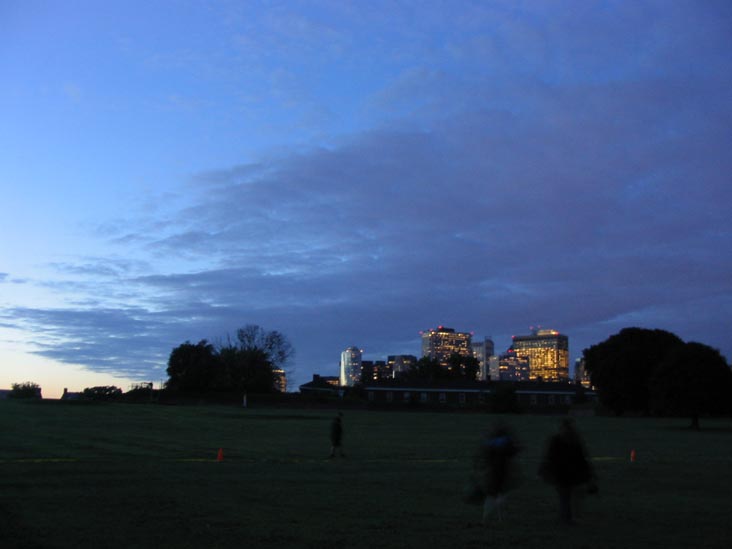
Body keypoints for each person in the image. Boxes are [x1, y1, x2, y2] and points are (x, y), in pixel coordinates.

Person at [539, 418, 596, 524]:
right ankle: (569, 518)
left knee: (565, 498)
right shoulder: (573, 440)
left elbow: (550, 457)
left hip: (564, 475)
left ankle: (567, 518)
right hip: (568, 475)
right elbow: (583, 459)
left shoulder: (558, 440)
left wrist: (546, 469)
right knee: (568, 498)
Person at [474, 423, 520, 523]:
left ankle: (485, 518)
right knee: (501, 495)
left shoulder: (491, 443)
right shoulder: (507, 442)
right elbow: (515, 451)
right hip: (504, 472)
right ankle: (500, 518)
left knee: (490, 495)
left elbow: (485, 455)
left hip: (492, 472)